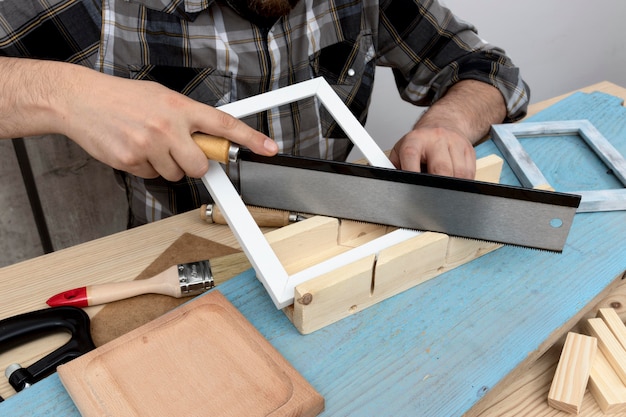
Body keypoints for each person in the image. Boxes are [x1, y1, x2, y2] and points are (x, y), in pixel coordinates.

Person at [0, 0, 529, 227]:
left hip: (338, 232)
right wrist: (70, 95)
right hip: (186, 258)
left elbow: (486, 68)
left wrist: (449, 122)